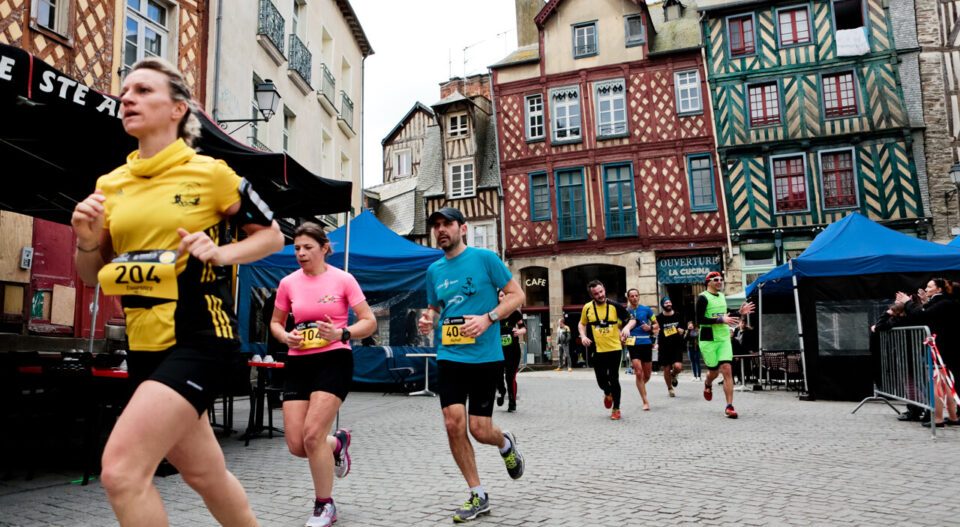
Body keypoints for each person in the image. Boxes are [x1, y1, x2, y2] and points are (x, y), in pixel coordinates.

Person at [71, 57, 284, 526]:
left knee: (121, 472)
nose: (127, 98)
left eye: (144, 90)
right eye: (126, 91)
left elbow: (272, 236)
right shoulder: (110, 184)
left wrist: (220, 253)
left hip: (201, 337)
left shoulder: (210, 173)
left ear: (177, 109)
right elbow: (92, 274)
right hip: (144, 344)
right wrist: (86, 241)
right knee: (205, 473)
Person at [416, 207, 526, 523]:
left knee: (479, 429)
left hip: (485, 358)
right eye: (436, 225)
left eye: (447, 223)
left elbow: (516, 295)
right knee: (453, 423)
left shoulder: (485, 259)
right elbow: (435, 308)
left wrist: (488, 318)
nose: (440, 229)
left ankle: (505, 443)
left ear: (463, 228)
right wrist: (428, 319)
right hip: (450, 356)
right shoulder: (434, 270)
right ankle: (478, 494)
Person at [269, 222, 377, 527]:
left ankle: (324, 505)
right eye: (297, 248)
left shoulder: (343, 279)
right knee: (297, 444)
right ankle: (338, 444)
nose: (300, 253)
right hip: (298, 363)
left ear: (324, 248)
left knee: (313, 435)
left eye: (307, 247)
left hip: (334, 360)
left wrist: (342, 333)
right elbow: (275, 322)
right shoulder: (288, 283)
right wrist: (285, 336)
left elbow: (369, 321)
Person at [896, 278, 960, 428]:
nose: (926, 289)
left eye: (929, 286)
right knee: (945, 382)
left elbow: (921, 315)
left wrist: (907, 302)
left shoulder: (943, 303)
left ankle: (938, 418)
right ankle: (952, 416)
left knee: (937, 382)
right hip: (942, 347)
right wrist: (924, 301)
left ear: (939, 289)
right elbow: (926, 312)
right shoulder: (943, 302)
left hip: (940, 348)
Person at [698, 272, 755, 418]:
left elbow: (726, 316)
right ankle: (708, 383)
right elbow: (699, 320)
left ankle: (729, 406)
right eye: (716, 279)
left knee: (727, 369)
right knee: (714, 372)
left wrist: (739, 312)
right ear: (708, 282)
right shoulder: (703, 297)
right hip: (708, 339)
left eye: (721, 279)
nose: (719, 282)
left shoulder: (722, 296)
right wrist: (720, 320)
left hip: (723, 338)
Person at [579, 280, 636, 420]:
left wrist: (627, 328)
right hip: (597, 349)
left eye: (601, 291)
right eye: (596, 294)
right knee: (601, 380)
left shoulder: (614, 306)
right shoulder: (587, 308)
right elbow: (582, 323)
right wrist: (583, 336)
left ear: (604, 289)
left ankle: (616, 409)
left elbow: (632, 319)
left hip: (614, 348)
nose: (600, 295)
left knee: (614, 378)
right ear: (591, 295)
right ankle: (607, 392)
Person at [624, 288, 656, 410]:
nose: (634, 298)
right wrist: (621, 336)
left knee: (647, 375)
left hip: (646, 342)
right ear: (628, 298)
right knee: (638, 372)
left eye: (636, 295)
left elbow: (657, 325)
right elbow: (619, 326)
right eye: (632, 296)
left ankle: (640, 385)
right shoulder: (625, 311)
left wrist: (650, 328)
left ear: (639, 296)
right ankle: (645, 401)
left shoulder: (647, 309)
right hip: (632, 343)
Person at [495, 290, 526, 412]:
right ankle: (501, 391)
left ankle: (512, 402)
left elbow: (523, 328)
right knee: (498, 375)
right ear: (497, 298)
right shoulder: (494, 314)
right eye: (501, 295)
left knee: (510, 377)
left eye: (506, 295)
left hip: (513, 351)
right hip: (498, 351)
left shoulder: (515, 313)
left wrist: (519, 331)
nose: (504, 297)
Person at [656, 297, 685, 397]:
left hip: (677, 345)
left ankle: (673, 375)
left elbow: (683, 327)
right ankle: (670, 388)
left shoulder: (678, 315)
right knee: (666, 368)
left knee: (678, 367)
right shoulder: (659, 318)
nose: (668, 304)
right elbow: (656, 331)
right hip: (664, 346)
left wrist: (682, 330)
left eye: (669, 302)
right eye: (666, 303)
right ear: (662, 305)